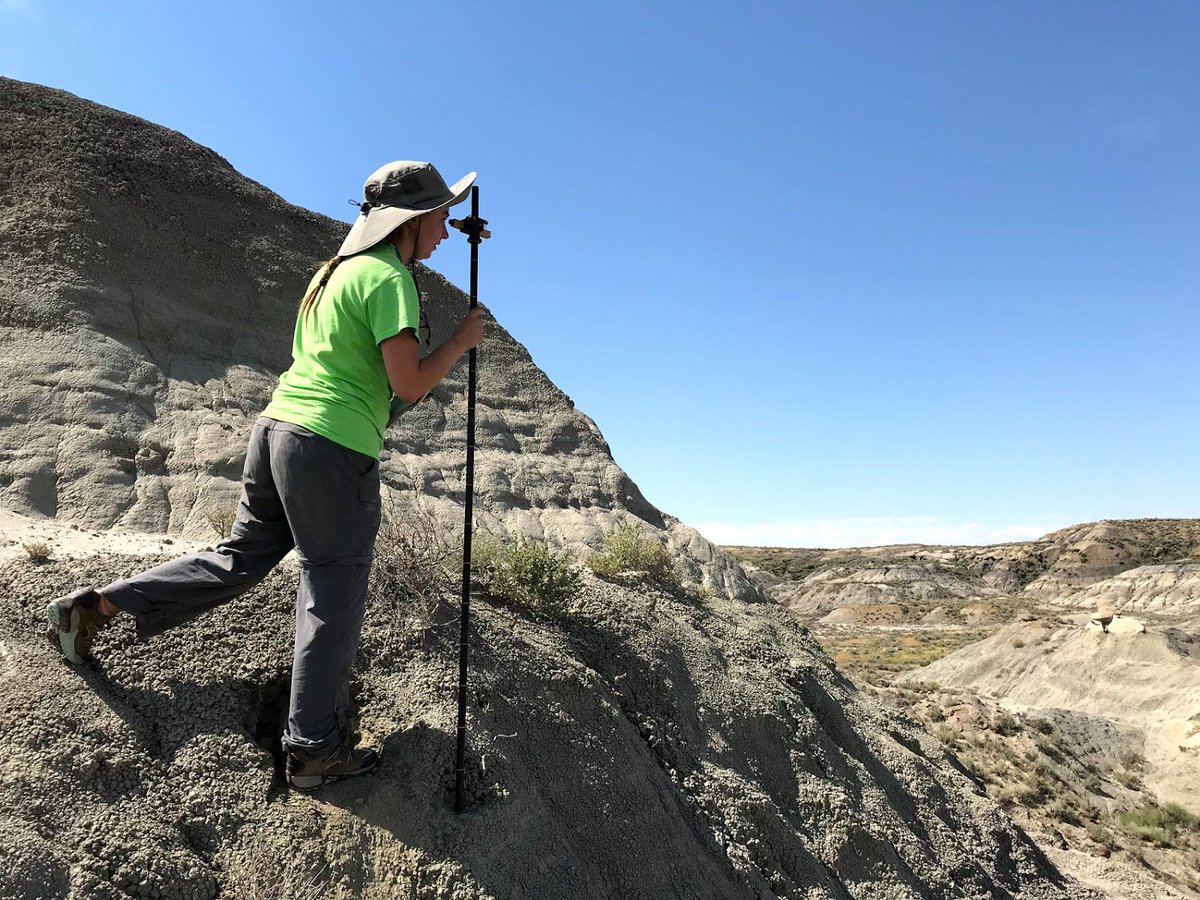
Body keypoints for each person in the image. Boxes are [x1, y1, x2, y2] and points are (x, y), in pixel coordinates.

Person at [45, 161, 483, 791]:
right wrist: (460, 342)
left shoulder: (333, 275)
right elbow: (409, 382)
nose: (445, 231)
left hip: (277, 430)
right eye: (438, 216)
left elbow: (381, 393)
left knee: (241, 555)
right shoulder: (390, 279)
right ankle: (313, 749)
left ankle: (97, 605)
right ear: (408, 223)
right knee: (333, 590)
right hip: (331, 448)